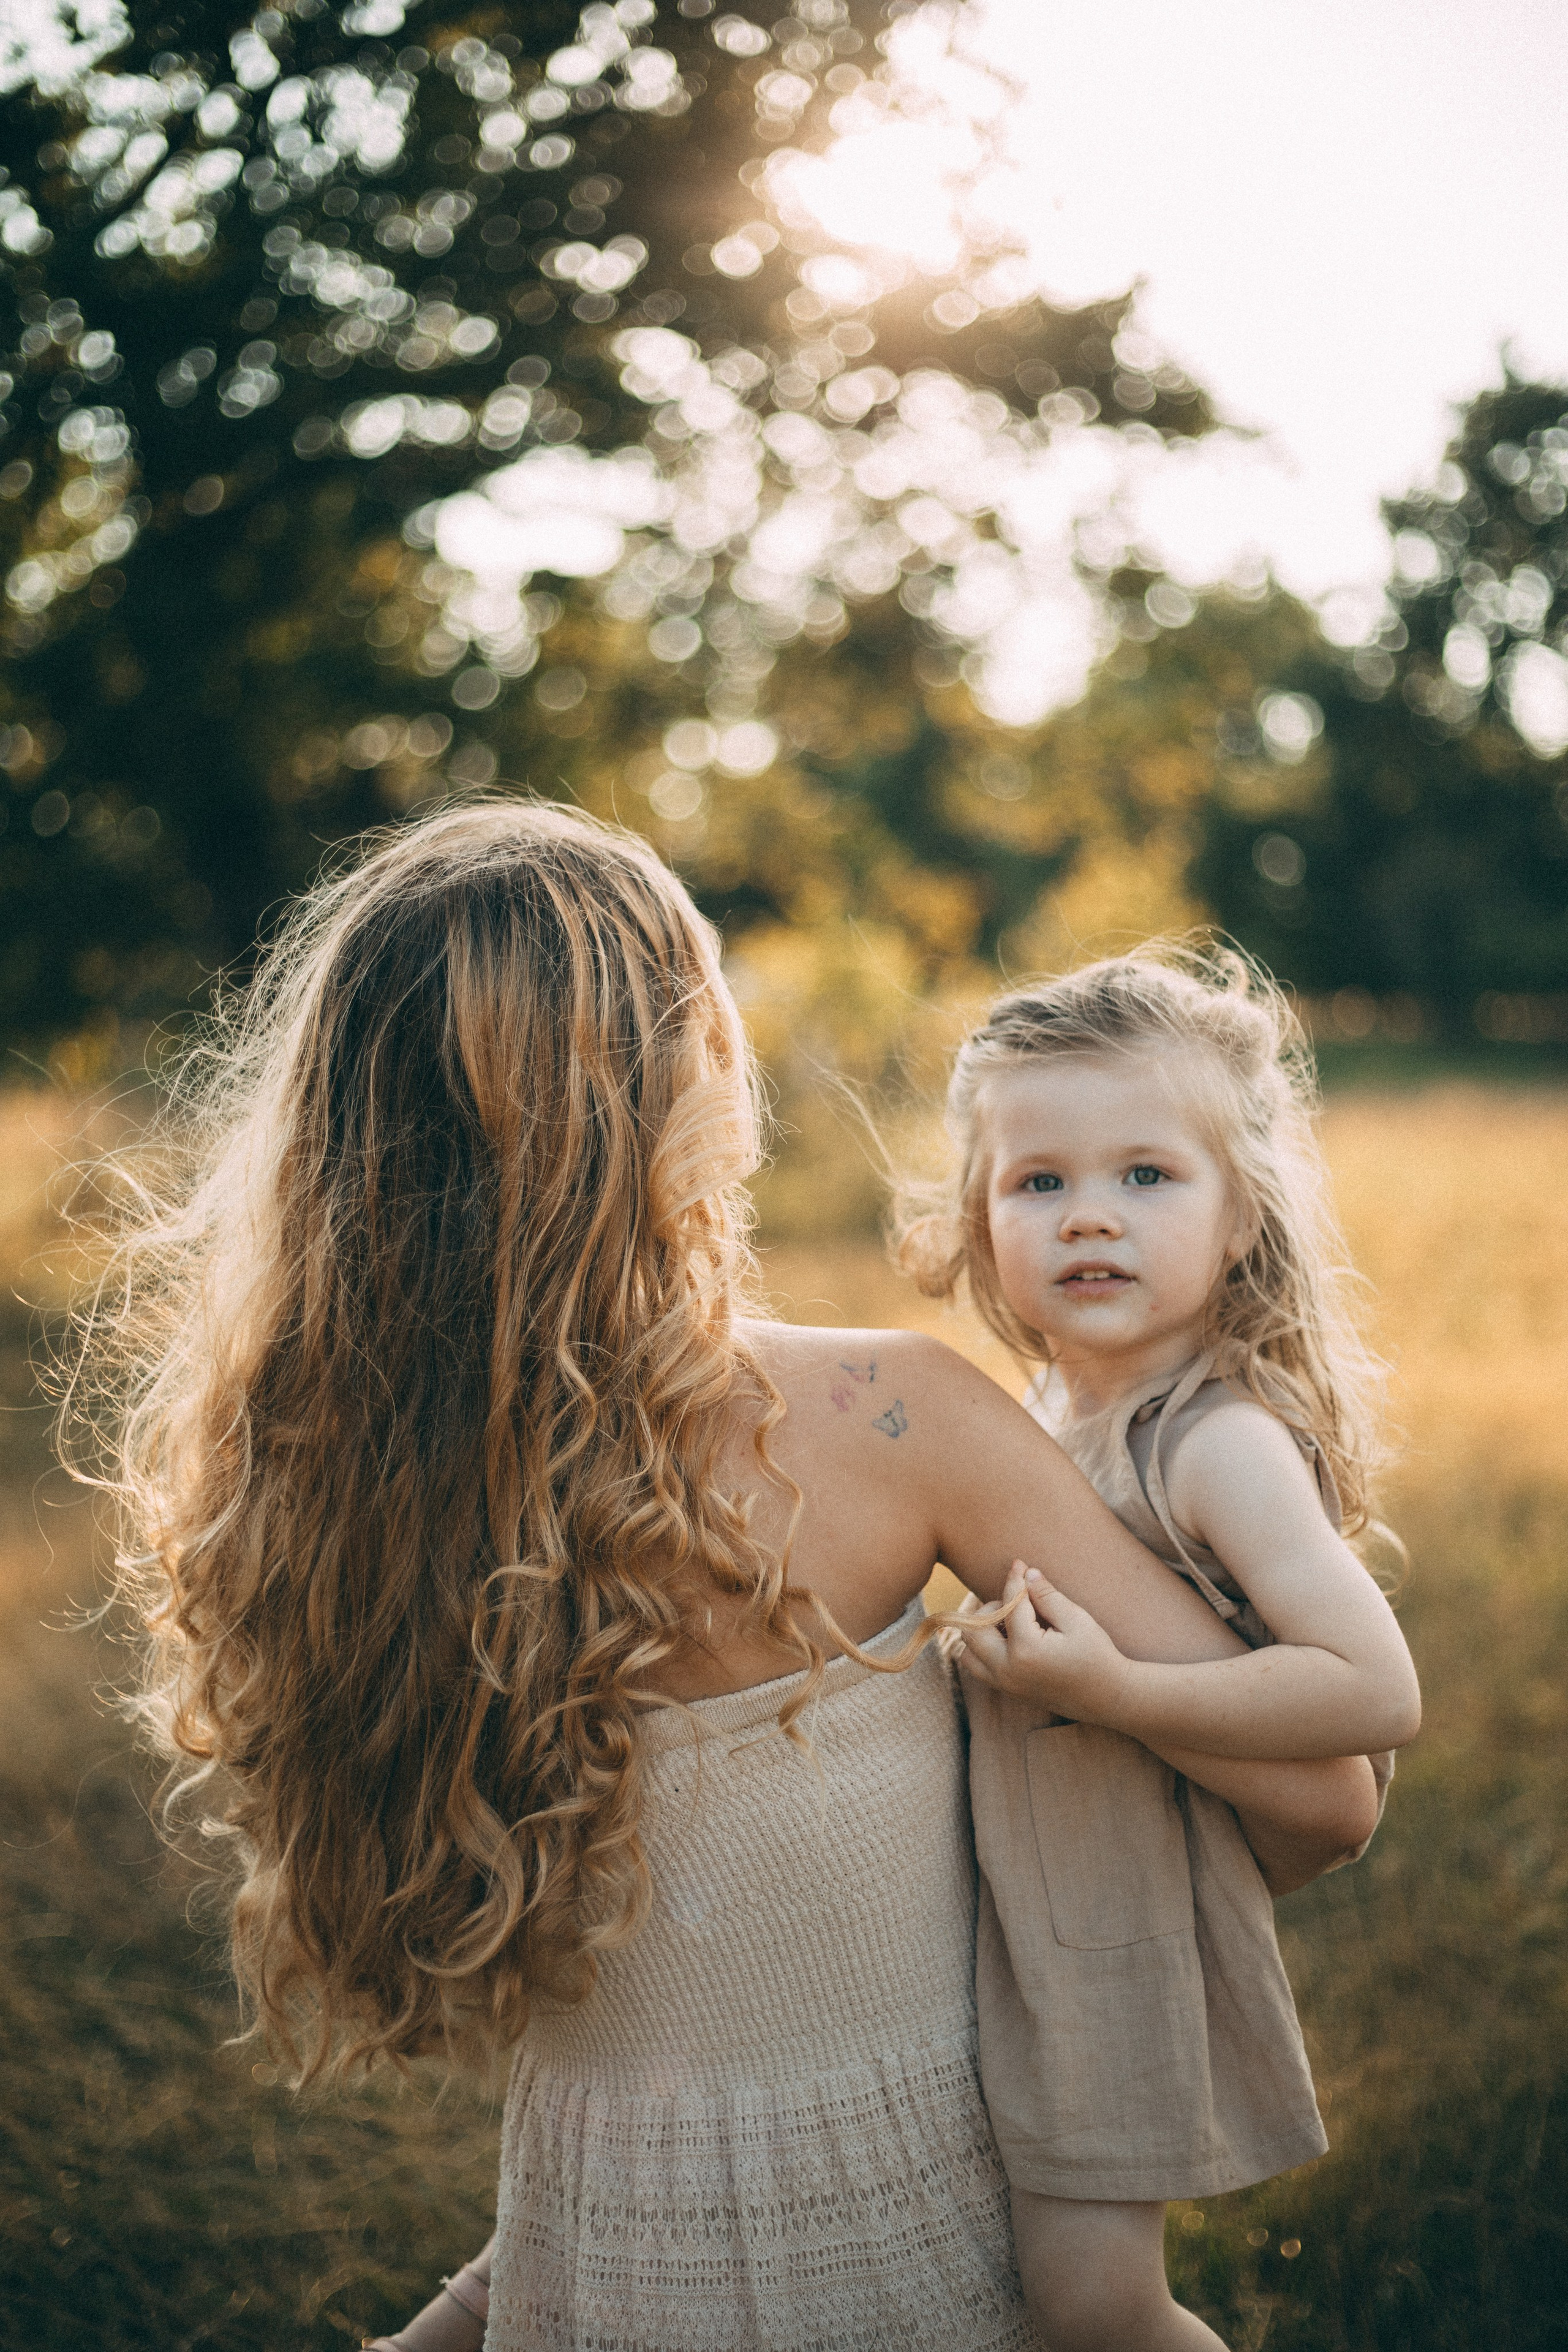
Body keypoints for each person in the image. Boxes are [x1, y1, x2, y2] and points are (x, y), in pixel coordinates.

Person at [70, 807, 1397, 2352]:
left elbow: (680, 2041)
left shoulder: (327, 1507)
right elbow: (1326, 1797)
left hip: (598, 2261)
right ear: (687, 1079)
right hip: (922, 2256)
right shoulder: (897, 1424)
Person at [898, 947, 1420, 2352]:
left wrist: (1108, 1688)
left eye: (1144, 1176)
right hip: (1047, 1897)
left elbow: (1375, 1691)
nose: (1089, 1219)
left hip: (1126, 1924)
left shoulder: (1216, 1441)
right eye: (1039, 1182)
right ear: (977, 1218)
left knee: (1095, 2310)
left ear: (1240, 1214)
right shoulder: (1044, 1409)